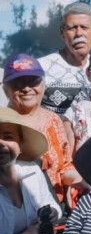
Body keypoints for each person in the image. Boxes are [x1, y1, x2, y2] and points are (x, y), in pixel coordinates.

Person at [2, 54, 77, 202]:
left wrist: (79, 180)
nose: (26, 88)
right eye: (17, 83)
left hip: (56, 208)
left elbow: (65, 166)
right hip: (14, 209)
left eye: (33, 81)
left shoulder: (54, 120)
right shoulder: (2, 122)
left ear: (43, 85)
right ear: (6, 90)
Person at [38, 2, 91, 115]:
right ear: (62, 33)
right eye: (72, 28)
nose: (79, 33)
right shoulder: (41, 67)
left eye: (84, 27)